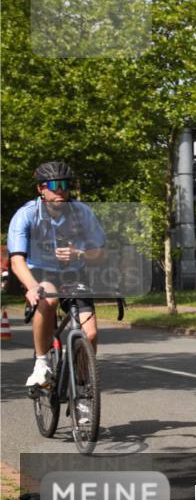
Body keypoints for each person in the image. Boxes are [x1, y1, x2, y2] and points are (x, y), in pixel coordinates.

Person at [7, 162, 106, 388]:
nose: (60, 190)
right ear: (41, 189)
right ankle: (41, 362)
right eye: (54, 185)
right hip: (40, 272)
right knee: (48, 298)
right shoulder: (26, 215)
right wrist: (32, 286)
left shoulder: (82, 213)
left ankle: (83, 388)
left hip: (74, 272)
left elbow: (100, 254)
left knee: (89, 335)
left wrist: (79, 254)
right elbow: (16, 260)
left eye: (65, 185)